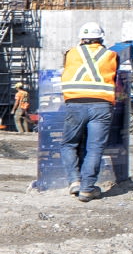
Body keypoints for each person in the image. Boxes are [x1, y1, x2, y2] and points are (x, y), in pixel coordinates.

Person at [53, 19, 123, 203]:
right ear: (100, 38)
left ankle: (74, 181)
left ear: (82, 38)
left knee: (69, 144)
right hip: (102, 105)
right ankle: (87, 189)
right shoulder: (112, 55)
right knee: (95, 148)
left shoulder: (71, 53)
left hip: (75, 103)